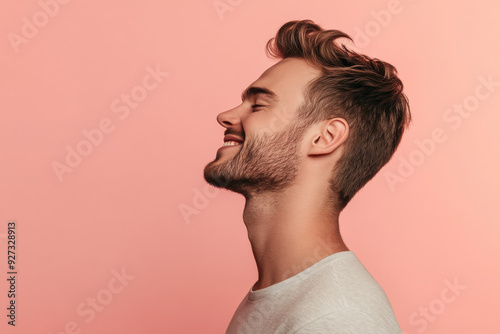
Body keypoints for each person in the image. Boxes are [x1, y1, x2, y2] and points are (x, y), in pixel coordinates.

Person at [203, 19, 411, 334]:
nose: (227, 116)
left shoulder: (339, 319)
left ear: (324, 137)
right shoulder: (282, 295)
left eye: (258, 105)